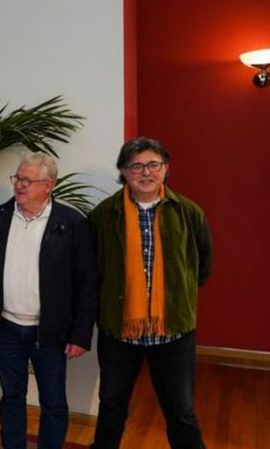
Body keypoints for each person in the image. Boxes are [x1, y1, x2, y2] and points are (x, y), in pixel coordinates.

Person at [0, 152, 97, 449]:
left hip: (49, 331)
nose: (19, 185)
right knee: (11, 396)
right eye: (17, 178)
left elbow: (87, 283)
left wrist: (80, 334)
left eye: (27, 180)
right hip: (7, 327)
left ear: (48, 184)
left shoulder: (72, 223)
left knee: (53, 401)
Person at [89, 137, 213, 449]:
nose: (146, 172)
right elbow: (92, 271)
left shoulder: (188, 212)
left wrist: (174, 297)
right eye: (136, 166)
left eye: (153, 164)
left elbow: (201, 266)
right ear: (123, 171)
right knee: (112, 406)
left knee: (181, 411)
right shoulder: (103, 216)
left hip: (172, 333)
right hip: (119, 333)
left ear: (166, 169)